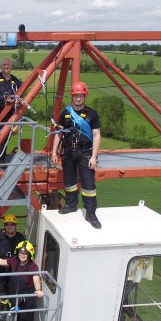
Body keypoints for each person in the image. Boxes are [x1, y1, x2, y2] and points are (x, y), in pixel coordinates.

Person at [51, 81, 102, 229]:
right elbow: (58, 134)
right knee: (69, 181)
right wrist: (54, 152)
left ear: (85, 96)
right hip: (68, 152)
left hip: (85, 152)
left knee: (88, 184)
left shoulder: (92, 114)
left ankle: (91, 214)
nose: (78, 99)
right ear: (72, 97)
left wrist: (93, 156)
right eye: (76, 96)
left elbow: (97, 135)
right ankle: (71, 205)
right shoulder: (65, 113)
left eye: (81, 96)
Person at [0, 241, 44, 321]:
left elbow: (36, 278)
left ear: (30, 255)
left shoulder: (32, 267)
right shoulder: (14, 261)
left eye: (25, 253)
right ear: (17, 252)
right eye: (21, 253)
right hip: (15, 299)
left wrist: (38, 290)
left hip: (27, 303)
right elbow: (2, 262)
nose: (22, 255)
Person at [0, 214, 26, 313]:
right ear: (4, 225)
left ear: (15, 226)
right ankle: (4, 309)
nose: (10, 226)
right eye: (7, 224)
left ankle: (12, 310)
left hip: (14, 269)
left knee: (13, 290)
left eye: (12, 224)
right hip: (0, 269)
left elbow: (26, 251)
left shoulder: (20, 237)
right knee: (2, 291)